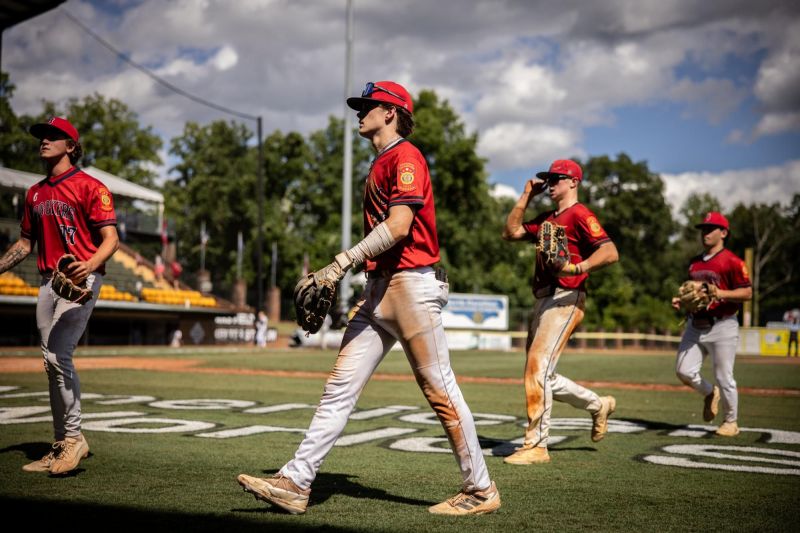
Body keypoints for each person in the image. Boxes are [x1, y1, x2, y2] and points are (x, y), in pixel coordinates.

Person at [237, 80, 499, 516]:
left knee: (440, 391)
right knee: (338, 389)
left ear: (391, 113)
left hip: (412, 285)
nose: (361, 112)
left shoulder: (406, 156)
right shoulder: (380, 162)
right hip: (379, 289)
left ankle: (481, 490)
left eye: (369, 106)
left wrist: (341, 262)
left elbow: (399, 226)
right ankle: (296, 482)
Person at [0, 116, 119, 474]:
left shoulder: (90, 187)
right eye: (42, 136)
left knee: (57, 354)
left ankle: (73, 439)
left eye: (54, 136)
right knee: (50, 364)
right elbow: (24, 243)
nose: (44, 141)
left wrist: (90, 264)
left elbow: (111, 239)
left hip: (80, 282)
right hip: (48, 282)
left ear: (71, 146)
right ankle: (61, 444)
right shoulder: (35, 193)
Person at [501, 159, 619, 465]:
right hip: (543, 298)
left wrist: (579, 266)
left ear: (573, 182)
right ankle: (598, 405)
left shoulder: (580, 213)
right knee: (542, 374)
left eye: (557, 178)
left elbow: (609, 252)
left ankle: (537, 445)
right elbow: (511, 232)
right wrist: (527, 195)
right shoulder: (546, 218)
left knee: (536, 368)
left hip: (567, 295)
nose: (551, 183)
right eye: (548, 179)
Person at [673, 212, 752, 436]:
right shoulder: (695, 263)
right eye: (703, 229)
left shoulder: (733, 262)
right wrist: (681, 301)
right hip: (695, 324)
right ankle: (709, 393)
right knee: (683, 370)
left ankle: (731, 422)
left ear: (724, 233)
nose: (705, 233)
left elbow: (747, 292)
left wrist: (721, 293)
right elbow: (694, 294)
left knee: (724, 375)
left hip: (722, 325)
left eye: (711, 229)